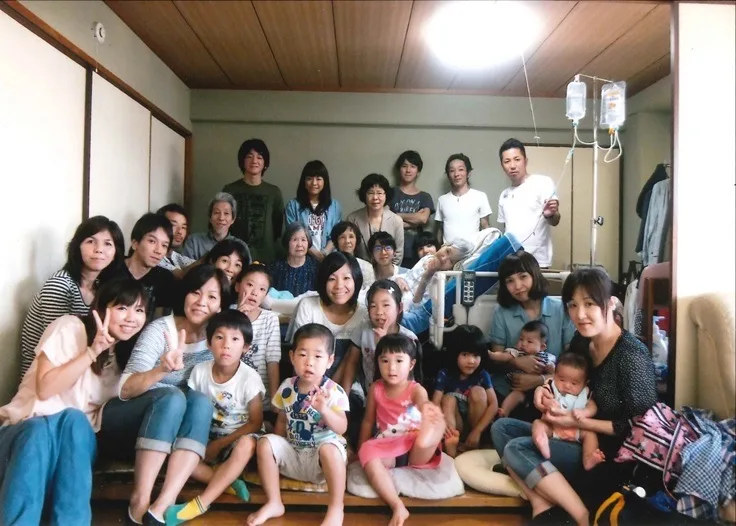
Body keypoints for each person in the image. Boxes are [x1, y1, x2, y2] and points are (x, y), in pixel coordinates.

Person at [491, 267, 657, 525]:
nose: (580, 314)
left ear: (610, 303)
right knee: (502, 428)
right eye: (572, 305)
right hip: (571, 433)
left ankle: (582, 516)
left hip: (605, 452)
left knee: (517, 448)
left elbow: (639, 426)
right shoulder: (582, 342)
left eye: (589, 304)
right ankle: (541, 501)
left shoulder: (631, 355)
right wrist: (544, 388)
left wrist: (578, 422)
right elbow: (561, 376)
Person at [0, 279, 147, 525]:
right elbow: (45, 389)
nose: (132, 317)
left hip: (72, 448)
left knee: (75, 422)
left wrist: (162, 370)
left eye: (140, 310)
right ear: (102, 308)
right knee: (41, 429)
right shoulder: (69, 327)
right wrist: (92, 352)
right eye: (122, 307)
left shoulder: (125, 362)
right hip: (22, 434)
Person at [99, 265, 229, 524]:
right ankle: (140, 499)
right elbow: (125, 389)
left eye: (212, 296)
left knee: (200, 401)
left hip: (171, 435)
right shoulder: (160, 330)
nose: (201, 302)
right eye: (195, 292)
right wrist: (162, 370)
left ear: (221, 306)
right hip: (127, 424)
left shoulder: (217, 340)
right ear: (184, 295)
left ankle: (164, 503)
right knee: (172, 396)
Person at [166, 310, 265, 525]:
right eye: (219, 337)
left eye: (235, 339)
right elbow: (193, 410)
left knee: (248, 444)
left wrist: (220, 444)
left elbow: (256, 422)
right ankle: (227, 483)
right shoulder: (199, 371)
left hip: (236, 439)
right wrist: (207, 443)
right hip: (206, 437)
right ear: (209, 343)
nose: (226, 345)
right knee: (176, 454)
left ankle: (199, 504)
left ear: (246, 347)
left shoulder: (250, 378)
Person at [247, 323, 349, 526]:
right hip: (294, 454)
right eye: (303, 355)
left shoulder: (333, 391)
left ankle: (336, 508)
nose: (309, 362)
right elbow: (282, 419)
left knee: (330, 449)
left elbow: (342, 428)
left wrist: (325, 410)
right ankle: (274, 502)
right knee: (266, 442)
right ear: (292, 357)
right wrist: (276, 446)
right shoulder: (286, 387)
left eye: (317, 356)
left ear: (330, 361)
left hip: (322, 463)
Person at [20, 215, 125, 376]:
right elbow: (58, 346)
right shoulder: (60, 285)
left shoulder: (101, 287)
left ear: (116, 252)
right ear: (77, 247)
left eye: (108, 243)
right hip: (46, 377)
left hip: (79, 369)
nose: (99, 249)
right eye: (90, 241)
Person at [358, 333, 446, 526]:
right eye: (385, 361)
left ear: (411, 364)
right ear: (377, 362)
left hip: (413, 444)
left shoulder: (415, 389)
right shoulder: (376, 388)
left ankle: (432, 434)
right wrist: (361, 449)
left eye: (399, 361)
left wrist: (427, 408)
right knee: (368, 453)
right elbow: (368, 421)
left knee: (421, 442)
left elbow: (422, 401)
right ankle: (397, 506)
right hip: (389, 446)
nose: (391, 367)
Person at [488, 251, 574, 417]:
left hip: (554, 386)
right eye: (510, 281)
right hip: (511, 387)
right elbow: (497, 359)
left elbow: (572, 359)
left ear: (535, 275)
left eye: (523, 277)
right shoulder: (502, 312)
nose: (517, 286)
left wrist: (542, 379)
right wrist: (517, 362)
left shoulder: (560, 309)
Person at [287, 251, 367, 387]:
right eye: (331, 279)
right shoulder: (308, 307)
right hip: (308, 384)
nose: (339, 285)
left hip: (350, 388)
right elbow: (298, 355)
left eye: (346, 278)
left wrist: (332, 392)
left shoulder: (364, 314)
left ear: (356, 280)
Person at [432, 325, 498, 458]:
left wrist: (477, 431)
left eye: (476, 355)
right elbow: (435, 402)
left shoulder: (482, 375)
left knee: (478, 392)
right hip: (455, 425)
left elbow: (494, 404)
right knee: (448, 399)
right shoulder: (445, 374)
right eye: (465, 355)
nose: (471, 361)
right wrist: (443, 424)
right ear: (454, 354)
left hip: (475, 425)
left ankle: (473, 444)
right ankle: (452, 446)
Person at [531, 352, 604, 471]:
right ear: (555, 375)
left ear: (585, 383)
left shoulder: (585, 393)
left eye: (574, 383)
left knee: (590, 434)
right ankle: (542, 441)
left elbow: (593, 407)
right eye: (562, 379)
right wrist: (549, 403)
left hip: (576, 430)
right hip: (552, 427)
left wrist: (585, 412)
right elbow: (544, 397)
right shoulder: (551, 386)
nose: (567, 386)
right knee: (538, 424)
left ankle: (588, 458)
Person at [346, 280, 418, 396]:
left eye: (386, 305)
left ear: (399, 308)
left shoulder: (409, 339)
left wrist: (385, 344)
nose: (379, 312)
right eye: (373, 306)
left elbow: (410, 379)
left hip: (397, 399)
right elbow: (351, 362)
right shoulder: (364, 329)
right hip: (370, 395)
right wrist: (344, 396)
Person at [497, 139, 560, 268]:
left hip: (538, 262)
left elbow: (555, 220)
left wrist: (550, 215)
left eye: (517, 159)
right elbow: (506, 230)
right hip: (512, 261)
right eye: (507, 161)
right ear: (502, 166)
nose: (512, 165)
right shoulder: (504, 195)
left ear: (525, 161)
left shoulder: (542, 183)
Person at [223, 139, 284, 263]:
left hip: (266, 258)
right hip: (235, 257)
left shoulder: (274, 192)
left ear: (265, 163)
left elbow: (277, 227)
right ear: (242, 161)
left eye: (259, 157)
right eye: (249, 156)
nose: (254, 161)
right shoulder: (229, 190)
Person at [232, 264, 281, 419]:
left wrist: (274, 400)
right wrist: (237, 319)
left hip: (260, 400)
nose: (254, 292)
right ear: (237, 286)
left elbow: (272, 360)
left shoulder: (270, 318)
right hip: (230, 398)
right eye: (250, 285)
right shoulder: (225, 315)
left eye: (262, 289)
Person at [117, 213, 178, 321]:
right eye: (152, 241)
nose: (158, 250)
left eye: (164, 245)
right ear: (135, 243)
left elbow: (160, 322)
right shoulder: (113, 269)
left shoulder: (165, 278)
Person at [493, 320, 556, 418]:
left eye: (529, 341)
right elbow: (503, 357)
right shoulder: (516, 353)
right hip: (519, 388)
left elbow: (555, 372)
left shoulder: (547, 357)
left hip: (538, 388)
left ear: (542, 347)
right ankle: (504, 411)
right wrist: (492, 355)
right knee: (515, 396)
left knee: (546, 397)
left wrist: (550, 368)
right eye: (521, 339)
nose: (523, 344)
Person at [284, 160, 342, 262]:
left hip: (329, 258)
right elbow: (292, 234)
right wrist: (314, 253)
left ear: (325, 182)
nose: (314, 183)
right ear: (304, 182)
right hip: (301, 259)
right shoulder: (293, 206)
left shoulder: (334, 206)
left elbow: (336, 234)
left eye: (318, 179)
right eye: (309, 179)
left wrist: (325, 253)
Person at [389, 150, 435, 269]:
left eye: (413, 166)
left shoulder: (424, 196)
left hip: (417, 250)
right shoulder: (390, 193)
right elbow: (386, 220)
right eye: (404, 166)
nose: (408, 170)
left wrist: (398, 216)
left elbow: (423, 218)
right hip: (392, 250)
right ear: (399, 169)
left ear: (418, 171)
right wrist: (415, 220)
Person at [346, 173, 404, 265]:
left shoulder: (396, 221)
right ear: (364, 195)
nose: (375, 198)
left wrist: (387, 272)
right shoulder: (352, 219)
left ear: (386, 195)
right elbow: (349, 251)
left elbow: (398, 254)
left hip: (388, 271)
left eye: (379, 193)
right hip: (360, 270)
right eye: (371, 193)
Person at [435, 153, 492, 245]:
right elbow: (440, 230)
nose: (456, 174)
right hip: (448, 251)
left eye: (461, 169)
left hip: (473, 251)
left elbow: (485, 227)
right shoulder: (442, 200)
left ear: (468, 173)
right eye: (452, 171)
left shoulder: (480, 196)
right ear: (448, 175)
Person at [182, 193, 252, 263]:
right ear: (210, 217)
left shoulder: (241, 246)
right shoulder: (194, 242)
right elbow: (185, 268)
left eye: (226, 213)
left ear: (233, 219)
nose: (221, 218)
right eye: (216, 212)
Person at [267, 222, 318, 297]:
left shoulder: (316, 268)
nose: (299, 244)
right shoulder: (275, 267)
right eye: (295, 240)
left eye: (303, 240)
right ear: (287, 242)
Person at [330, 221, 374, 287]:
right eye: (342, 237)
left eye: (351, 236)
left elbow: (370, 291)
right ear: (336, 241)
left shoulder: (366, 267)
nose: (347, 241)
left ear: (356, 240)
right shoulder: (329, 265)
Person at [157, 203, 196, 272]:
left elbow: (199, 266)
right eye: (173, 225)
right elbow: (179, 275)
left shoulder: (176, 256)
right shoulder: (154, 256)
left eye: (183, 227)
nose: (180, 231)